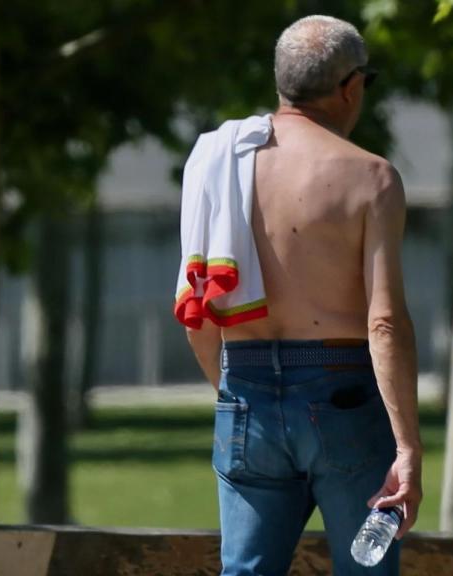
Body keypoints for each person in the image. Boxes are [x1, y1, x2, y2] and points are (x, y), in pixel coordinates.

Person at [179, 15, 421, 576]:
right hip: (343, 394)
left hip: (245, 389)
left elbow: (199, 316)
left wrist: (240, 397)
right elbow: (384, 323)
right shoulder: (371, 178)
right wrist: (408, 448)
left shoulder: (221, 163)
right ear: (350, 87)